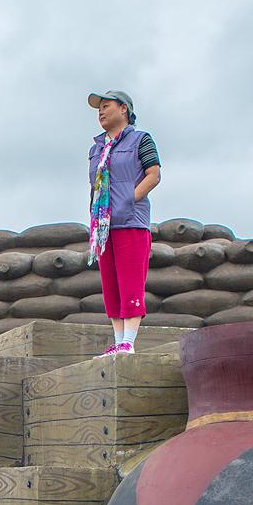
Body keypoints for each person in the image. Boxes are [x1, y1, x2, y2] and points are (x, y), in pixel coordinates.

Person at [88, 89, 161, 355]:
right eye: (99, 109)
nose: (101, 112)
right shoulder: (96, 149)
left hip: (131, 221)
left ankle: (129, 341)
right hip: (104, 227)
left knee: (130, 282)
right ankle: (118, 341)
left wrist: (130, 198)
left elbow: (154, 174)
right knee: (111, 286)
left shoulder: (141, 139)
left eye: (106, 106)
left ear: (124, 109)